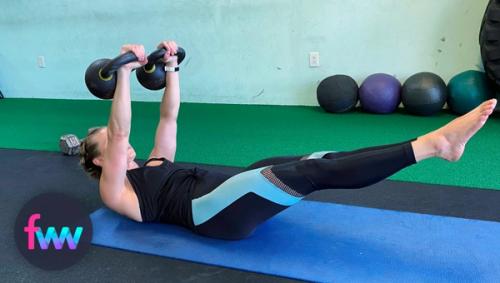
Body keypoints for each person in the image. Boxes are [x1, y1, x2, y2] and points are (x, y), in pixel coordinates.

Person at [80, 42, 498, 240]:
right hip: (212, 213)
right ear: (100, 161)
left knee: (319, 158)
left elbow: (169, 116)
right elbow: (120, 133)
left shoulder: (155, 164)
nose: (125, 148)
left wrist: (170, 67)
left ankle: (432, 144)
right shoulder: (115, 190)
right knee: (314, 172)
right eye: (112, 148)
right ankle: (435, 146)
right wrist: (123, 74)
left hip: (224, 187)